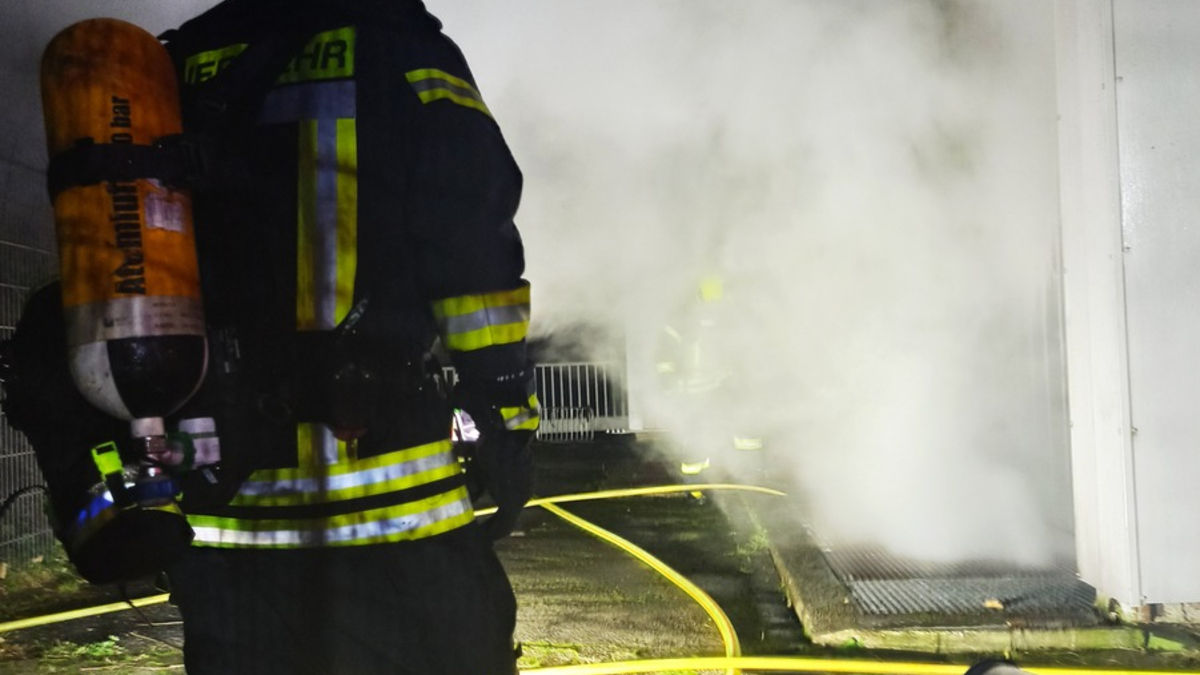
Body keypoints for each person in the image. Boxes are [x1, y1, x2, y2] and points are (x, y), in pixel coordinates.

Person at [156, 1, 539, 673]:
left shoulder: (182, 62)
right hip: (392, 520)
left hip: (223, 523)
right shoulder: (404, 53)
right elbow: (471, 246)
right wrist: (506, 412)